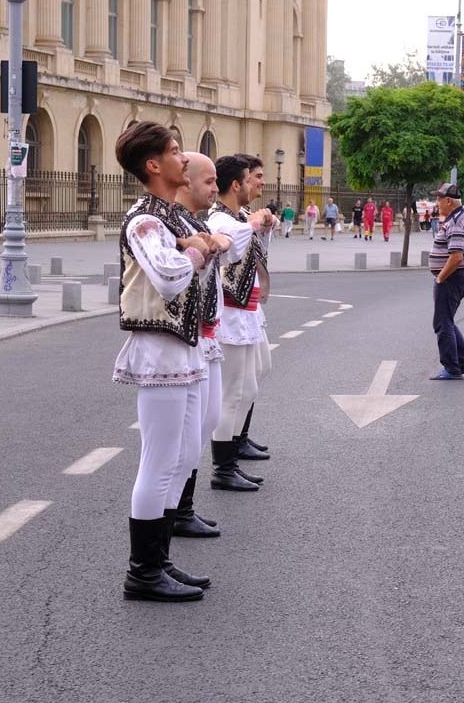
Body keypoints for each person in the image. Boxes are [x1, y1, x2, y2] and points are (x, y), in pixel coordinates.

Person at [112, 121, 212, 602]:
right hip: (159, 347)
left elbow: (215, 247)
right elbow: (171, 278)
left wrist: (194, 245)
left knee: (184, 454)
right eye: (175, 151)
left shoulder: (170, 217)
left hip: (184, 346)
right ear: (154, 165)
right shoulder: (145, 221)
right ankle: (143, 571)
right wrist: (192, 251)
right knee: (158, 460)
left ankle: (161, 559)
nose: (185, 159)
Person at [168, 152, 243, 539]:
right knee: (183, 436)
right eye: (209, 181)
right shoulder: (171, 222)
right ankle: (177, 513)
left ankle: (184, 507)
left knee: (206, 423)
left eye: (216, 181)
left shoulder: (196, 221)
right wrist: (206, 243)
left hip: (206, 334)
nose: (215, 188)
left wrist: (217, 239)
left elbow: (230, 244)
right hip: (186, 337)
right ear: (186, 181)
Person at [207, 155, 272, 493]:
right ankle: (223, 468)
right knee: (231, 393)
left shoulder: (235, 216)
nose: (253, 186)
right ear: (236, 185)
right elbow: (230, 241)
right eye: (249, 180)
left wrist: (259, 224)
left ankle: (230, 460)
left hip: (242, 311)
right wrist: (255, 224)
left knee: (246, 388)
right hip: (230, 313)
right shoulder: (220, 218)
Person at [428, 183, 464, 380]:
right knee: (446, 320)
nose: (437, 203)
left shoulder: (456, 222)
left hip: (451, 279)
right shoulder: (458, 217)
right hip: (456, 278)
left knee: (442, 323)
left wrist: (441, 277)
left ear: (448, 201)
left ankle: (451, 367)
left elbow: (456, 257)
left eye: (439, 199)